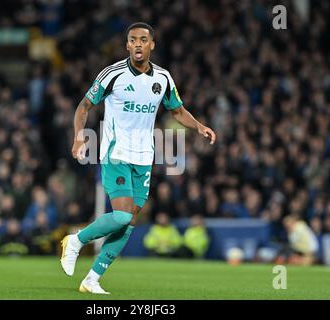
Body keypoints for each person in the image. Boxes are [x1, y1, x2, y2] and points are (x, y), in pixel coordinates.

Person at [60, 22, 216, 294]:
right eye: (133, 40)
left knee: (130, 222)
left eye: (144, 39)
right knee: (120, 216)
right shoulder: (112, 74)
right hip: (116, 152)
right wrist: (78, 136)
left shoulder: (163, 78)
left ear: (152, 44)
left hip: (144, 157)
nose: (138, 44)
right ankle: (76, 241)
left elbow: (177, 112)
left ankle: (92, 279)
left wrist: (199, 126)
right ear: (127, 45)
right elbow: (84, 106)